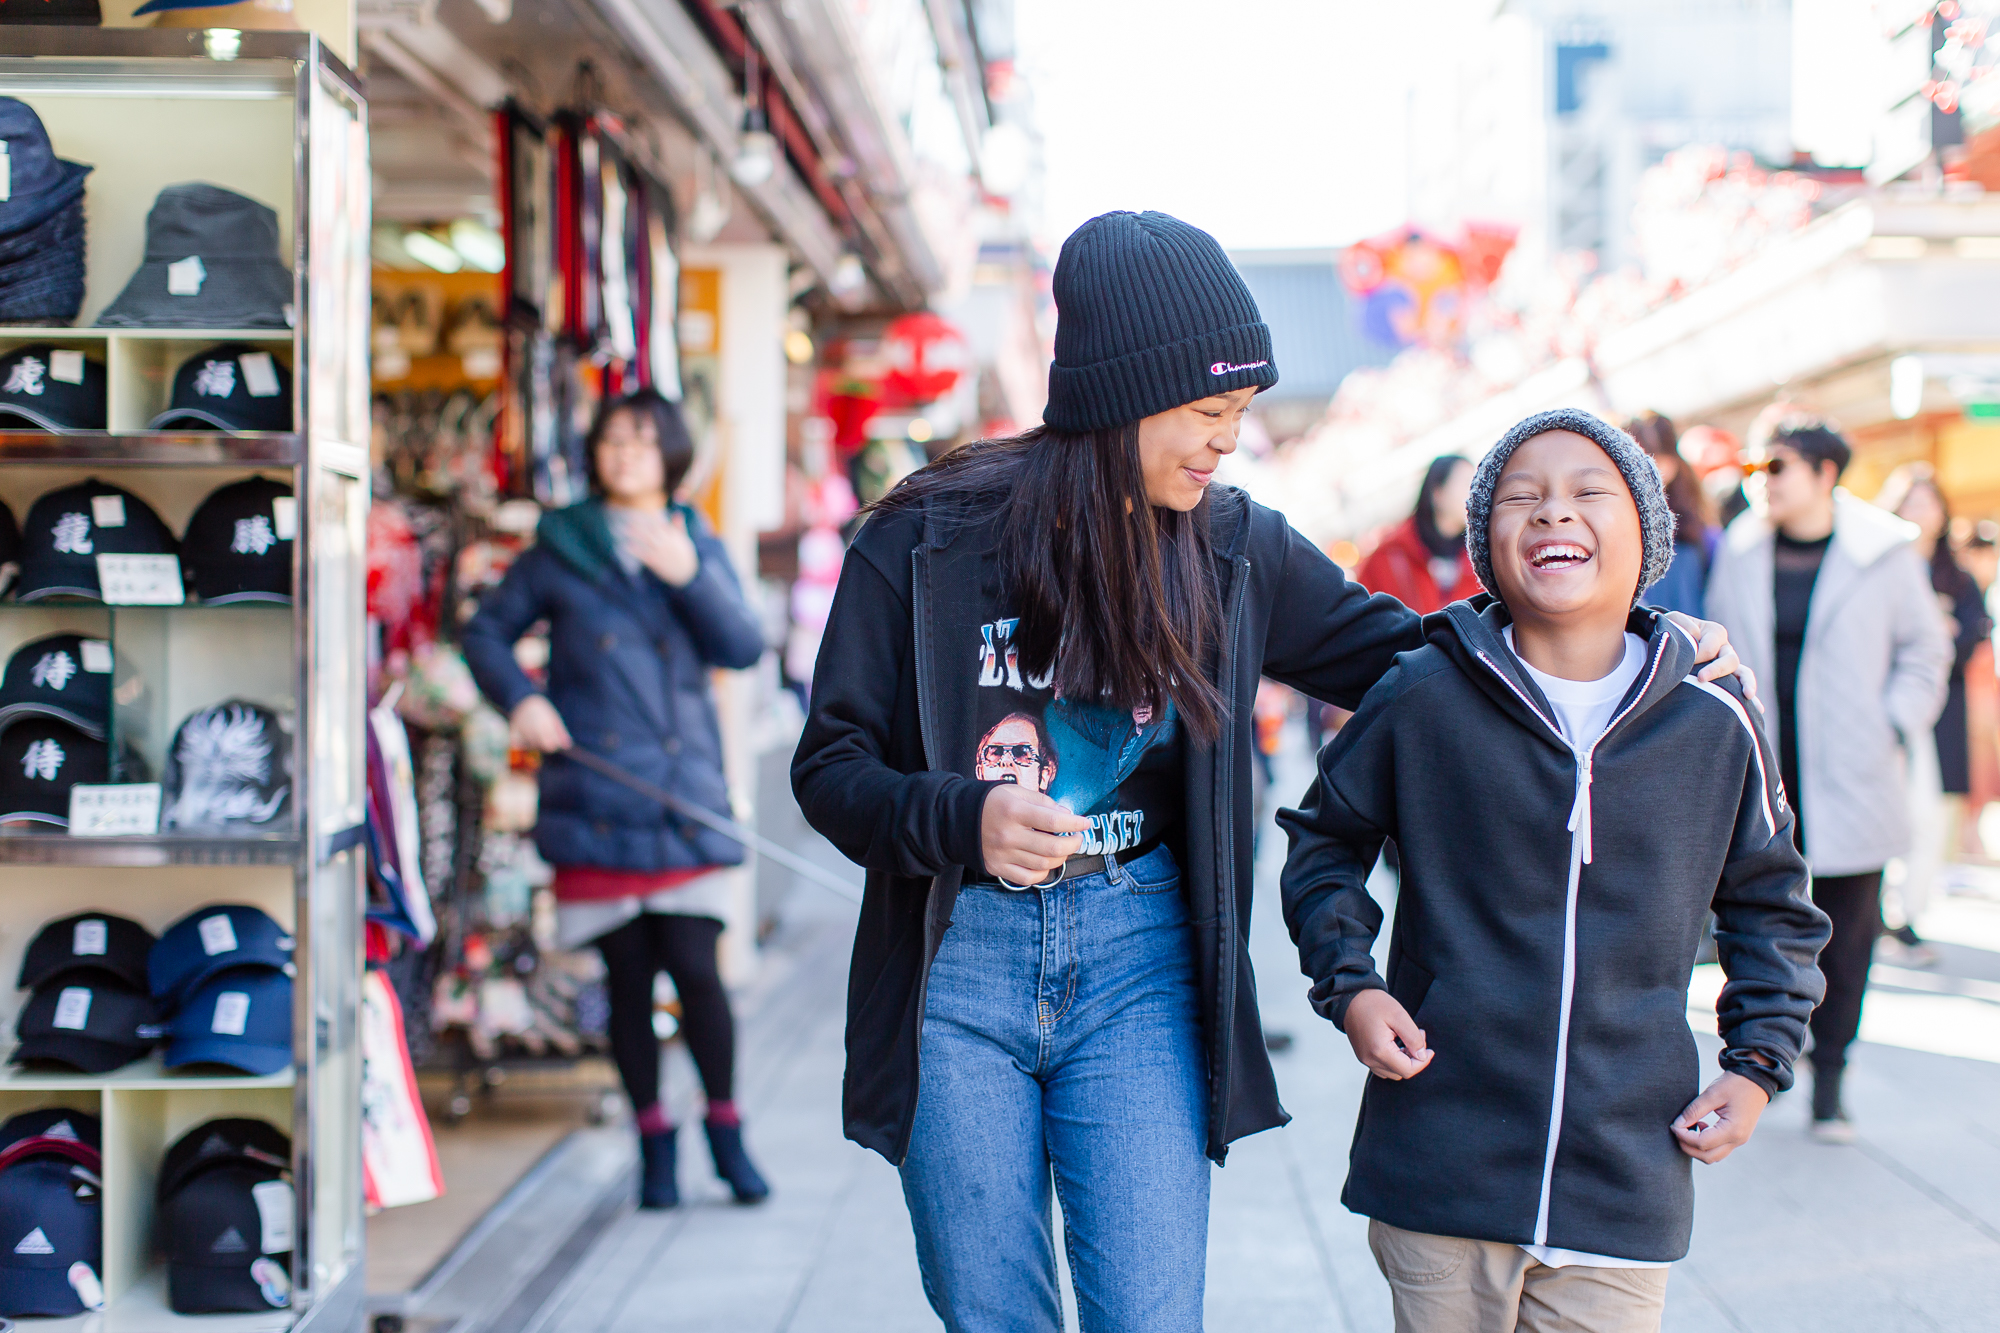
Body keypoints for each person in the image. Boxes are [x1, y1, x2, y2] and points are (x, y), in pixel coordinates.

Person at [789, 210, 1743, 1332]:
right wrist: (962, 818)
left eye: (1235, 415)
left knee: (1148, 1314)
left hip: (1140, 962)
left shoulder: (1231, 545)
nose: (1226, 442)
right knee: (991, 1312)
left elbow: (1416, 653)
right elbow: (830, 766)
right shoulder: (922, 539)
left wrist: (1625, 637)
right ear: (1121, 394)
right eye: (1206, 413)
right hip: (957, 967)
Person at [1278, 408, 1829, 1333]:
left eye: (1588, 493)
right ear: (1486, 543)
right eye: (1521, 499)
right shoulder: (1423, 695)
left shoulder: (1713, 719)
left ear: (1645, 532)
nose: (1552, 515)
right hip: (1442, 1161)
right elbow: (1324, 839)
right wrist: (1352, 987)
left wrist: (1760, 1063)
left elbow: (1772, 902)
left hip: (1626, 1169)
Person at [462, 389, 772, 1209]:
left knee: (699, 972)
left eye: (641, 440)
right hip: (597, 788)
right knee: (627, 980)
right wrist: (522, 699)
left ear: (670, 451)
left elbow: (742, 645)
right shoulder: (561, 544)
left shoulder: (692, 537)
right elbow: (485, 631)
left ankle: (727, 1131)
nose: (624, 453)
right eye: (612, 439)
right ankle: (654, 1145)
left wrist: (689, 575)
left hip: (681, 793)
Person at [1704, 416, 1951, 1142]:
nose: (1762, 482)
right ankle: (1767, 1060)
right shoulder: (1741, 549)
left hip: (1853, 767)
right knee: (1756, 923)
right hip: (1765, 769)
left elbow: (1925, 650)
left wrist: (1893, 718)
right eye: (1754, 468)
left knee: (1848, 934)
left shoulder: (1884, 552)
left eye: (1776, 467)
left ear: (1823, 473)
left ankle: (1832, 1077)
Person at [1874, 464, 1991, 963]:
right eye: (1912, 503)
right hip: (1880, 706)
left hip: (1942, 710)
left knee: (1928, 814)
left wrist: (1943, 635)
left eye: (1929, 503)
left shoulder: (1955, 574)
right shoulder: (1875, 564)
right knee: (1881, 809)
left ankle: (1907, 914)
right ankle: (1873, 913)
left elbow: (1973, 632)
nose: (1922, 513)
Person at [1356, 454, 1477, 613]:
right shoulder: (1389, 557)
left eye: (1476, 483)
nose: (1474, 493)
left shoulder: (1480, 557)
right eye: (1466, 484)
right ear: (1437, 493)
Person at [1626, 411, 1719, 617]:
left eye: (1660, 456)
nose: (1654, 468)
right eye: (1642, 458)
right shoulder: (1617, 528)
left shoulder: (1698, 529)